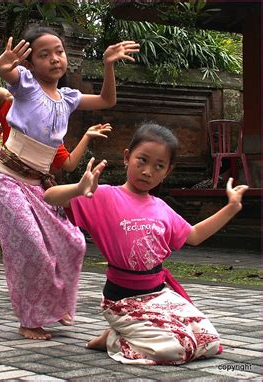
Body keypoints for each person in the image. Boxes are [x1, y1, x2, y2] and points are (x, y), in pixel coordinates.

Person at [44, 123, 248, 364]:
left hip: (158, 295)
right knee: (173, 350)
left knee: (208, 341)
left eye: (158, 166)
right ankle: (114, 338)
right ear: (127, 157)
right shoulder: (104, 196)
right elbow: (50, 196)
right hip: (122, 301)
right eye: (142, 160)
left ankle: (128, 334)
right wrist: (79, 188)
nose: (148, 171)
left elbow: (194, 235)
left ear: (167, 171)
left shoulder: (161, 208)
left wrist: (231, 207)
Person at [0, 26, 139, 340]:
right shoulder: (25, 85)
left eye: (59, 52)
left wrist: (108, 64)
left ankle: (57, 307)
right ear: (30, 63)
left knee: (74, 243)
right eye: (44, 54)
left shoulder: (68, 98)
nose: (54, 59)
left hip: (39, 186)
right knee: (34, 250)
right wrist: (1, 64)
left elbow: (107, 100)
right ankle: (29, 319)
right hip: (6, 181)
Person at [0, 86, 112, 173]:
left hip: (32, 183)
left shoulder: (50, 137)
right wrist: (14, 97)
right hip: (6, 176)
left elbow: (69, 164)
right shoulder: (15, 111)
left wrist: (87, 136)